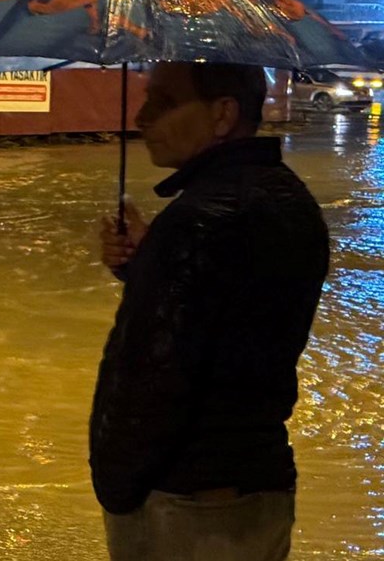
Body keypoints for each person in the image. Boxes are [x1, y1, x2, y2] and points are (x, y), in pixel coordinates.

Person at [93, 62, 330, 560]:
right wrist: (147, 266)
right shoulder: (286, 196)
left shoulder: (198, 221)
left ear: (223, 114)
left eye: (163, 102)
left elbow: (153, 375)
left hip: (188, 508)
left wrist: (116, 487)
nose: (142, 117)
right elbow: (230, 318)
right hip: (258, 485)